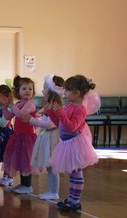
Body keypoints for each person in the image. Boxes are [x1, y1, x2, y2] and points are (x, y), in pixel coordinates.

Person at [46, 74, 100, 212]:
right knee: (72, 174)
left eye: (68, 90)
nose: (65, 93)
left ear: (77, 93)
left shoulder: (80, 110)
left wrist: (60, 113)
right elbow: (60, 124)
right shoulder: (70, 105)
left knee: (76, 173)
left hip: (74, 145)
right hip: (66, 143)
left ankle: (75, 202)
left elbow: (71, 127)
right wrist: (52, 113)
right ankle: (71, 199)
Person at [22, 74, 65, 200]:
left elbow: (51, 124)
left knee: (52, 166)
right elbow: (42, 116)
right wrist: (37, 116)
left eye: (45, 88)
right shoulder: (48, 105)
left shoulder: (55, 105)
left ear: (52, 90)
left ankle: (54, 191)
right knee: (49, 165)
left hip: (52, 137)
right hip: (46, 136)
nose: (42, 90)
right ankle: (52, 190)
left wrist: (32, 120)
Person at [1, 75, 37, 194]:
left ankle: (28, 185)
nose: (27, 91)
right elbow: (7, 116)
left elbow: (21, 115)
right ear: (18, 91)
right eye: (24, 89)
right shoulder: (19, 104)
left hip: (27, 136)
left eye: (30, 89)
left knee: (26, 160)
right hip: (18, 136)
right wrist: (4, 105)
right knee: (20, 160)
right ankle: (23, 184)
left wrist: (11, 104)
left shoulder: (30, 104)